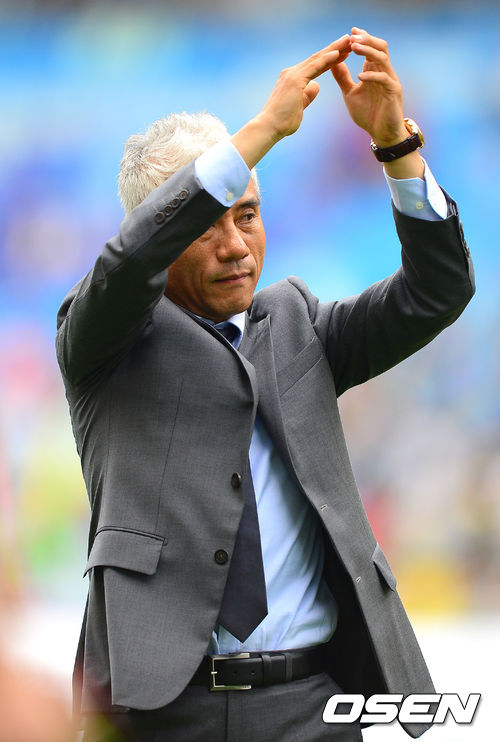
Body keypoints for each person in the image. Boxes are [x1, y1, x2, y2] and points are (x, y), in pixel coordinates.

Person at [56, 28, 474, 742]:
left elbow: (437, 290)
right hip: (160, 713)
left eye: (247, 215)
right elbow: (129, 263)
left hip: (312, 703)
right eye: (205, 223)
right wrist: (263, 133)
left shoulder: (297, 325)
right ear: (160, 233)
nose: (235, 246)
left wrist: (396, 148)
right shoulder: (100, 334)